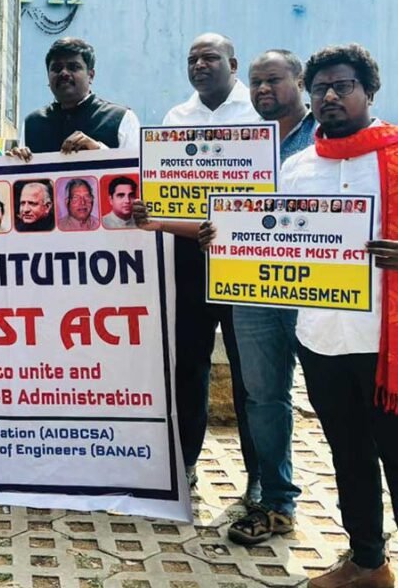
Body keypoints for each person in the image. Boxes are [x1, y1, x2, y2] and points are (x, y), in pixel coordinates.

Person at [265, 43, 398, 588]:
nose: (330, 97)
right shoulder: (296, 169)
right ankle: (368, 563)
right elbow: (269, 243)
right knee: (348, 455)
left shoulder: (394, 158)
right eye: (320, 88)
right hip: (321, 338)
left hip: (386, 344)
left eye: (343, 86)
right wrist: (222, 243)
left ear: (369, 91)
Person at [200, 49, 318, 546]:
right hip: (251, 288)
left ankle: (366, 524)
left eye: (274, 80)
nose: (263, 89)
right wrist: (205, 228)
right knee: (262, 398)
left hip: (319, 294)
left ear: (300, 82)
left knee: (338, 408)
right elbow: (214, 204)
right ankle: (275, 501)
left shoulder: (326, 138)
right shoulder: (247, 144)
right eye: (256, 82)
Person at [161, 33, 260, 499]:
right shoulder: (176, 119)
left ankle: (259, 479)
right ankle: (185, 463)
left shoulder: (258, 115)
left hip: (245, 267)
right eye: (192, 59)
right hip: (190, 263)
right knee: (190, 367)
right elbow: (164, 190)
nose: (199, 65)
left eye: (209, 57)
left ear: (233, 63)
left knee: (250, 376)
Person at [23, 38, 141, 153]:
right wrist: (14, 162)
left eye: (73, 67)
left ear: (91, 75)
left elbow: (137, 169)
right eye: (56, 68)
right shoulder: (32, 124)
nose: (64, 73)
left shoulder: (121, 119)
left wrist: (99, 152)